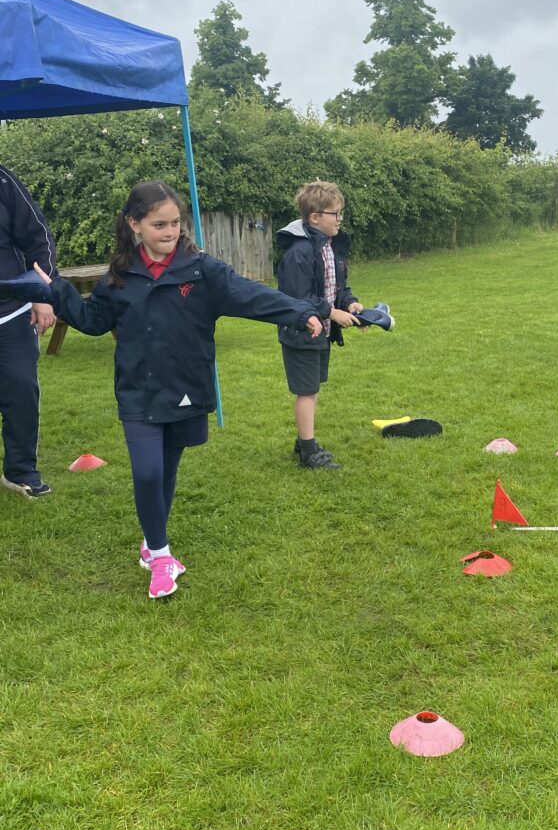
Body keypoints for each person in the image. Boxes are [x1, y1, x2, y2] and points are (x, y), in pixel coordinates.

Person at [18, 180, 322, 599]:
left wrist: (299, 311)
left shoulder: (202, 271)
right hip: (138, 392)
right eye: (159, 224)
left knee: (166, 471)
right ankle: (160, 556)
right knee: (147, 470)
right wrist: (56, 289)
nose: (170, 231)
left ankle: (152, 539)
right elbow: (92, 321)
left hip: (186, 388)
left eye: (175, 223)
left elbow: (250, 296)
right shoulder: (120, 277)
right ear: (134, 225)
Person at [276, 181, 363, 470]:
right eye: (335, 214)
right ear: (315, 217)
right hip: (301, 331)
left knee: (312, 389)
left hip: (320, 332)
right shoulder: (299, 253)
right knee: (307, 391)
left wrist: (350, 304)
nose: (339, 219)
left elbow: (336, 286)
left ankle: (304, 441)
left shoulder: (330, 247)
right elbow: (296, 297)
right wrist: (331, 312)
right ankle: (308, 453)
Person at [0, 164, 57, 498]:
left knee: (21, 389)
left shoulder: (3, 180)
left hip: (11, 310)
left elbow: (38, 236)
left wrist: (42, 296)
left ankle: (20, 471)